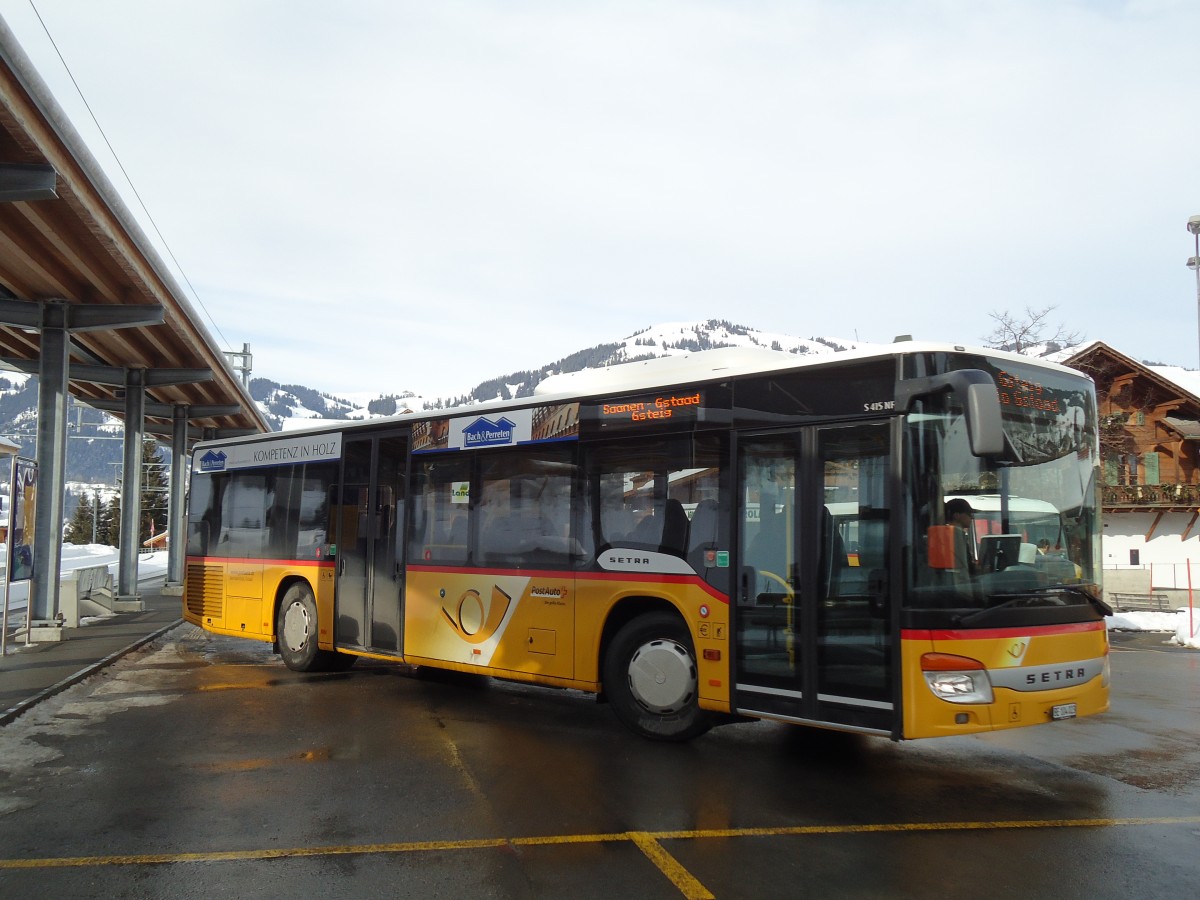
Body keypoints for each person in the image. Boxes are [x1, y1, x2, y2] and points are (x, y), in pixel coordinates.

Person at [944, 498, 978, 578]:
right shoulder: (954, 537)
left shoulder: (954, 536)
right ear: (956, 515)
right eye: (969, 514)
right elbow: (963, 567)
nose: (972, 518)